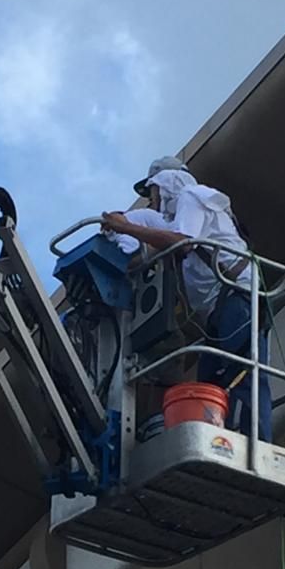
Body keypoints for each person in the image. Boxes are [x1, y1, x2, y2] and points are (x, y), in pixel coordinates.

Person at [101, 159, 268, 435]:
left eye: (152, 191)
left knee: (245, 374)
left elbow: (181, 242)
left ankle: (258, 443)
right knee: (209, 388)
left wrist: (126, 228)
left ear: (167, 182)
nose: (152, 200)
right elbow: (147, 253)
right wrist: (124, 227)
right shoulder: (182, 217)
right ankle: (219, 439)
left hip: (234, 299)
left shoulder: (192, 197)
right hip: (218, 310)